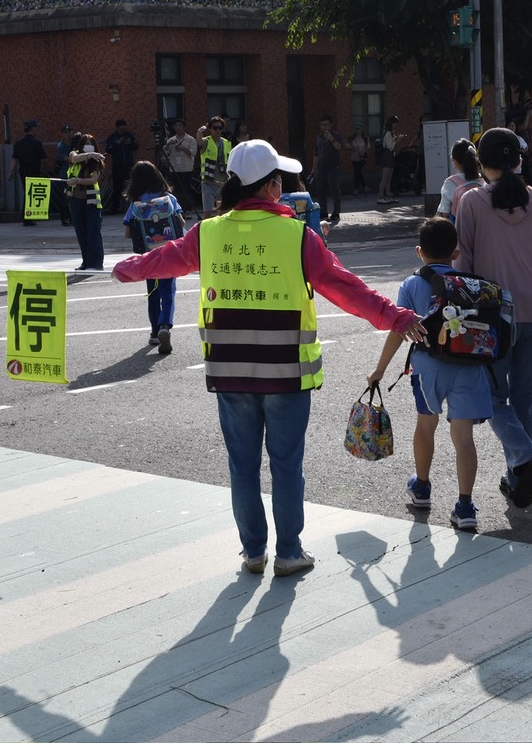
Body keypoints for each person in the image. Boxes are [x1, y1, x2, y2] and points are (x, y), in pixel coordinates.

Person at [113, 139, 426, 577]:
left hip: (230, 371)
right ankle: (289, 552)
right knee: (286, 466)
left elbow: (163, 260)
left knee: (242, 467)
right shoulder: (299, 237)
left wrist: (126, 268)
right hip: (287, 374)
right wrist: (395, 316)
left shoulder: (208, 233)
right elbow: (349, 290)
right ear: (274, 186)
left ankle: (254, 552)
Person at [455, 127, 532, 509]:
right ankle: (518, 478)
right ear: (518, 161)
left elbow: (463, 266)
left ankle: (525, 457)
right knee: (524, 400)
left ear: (483, 165)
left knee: (488, 396)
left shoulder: (471, 203)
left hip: (491, 319)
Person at [367, 218, 492, 533]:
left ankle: (422, 487)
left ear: (419, 252)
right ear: (456, 252)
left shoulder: (412, 284)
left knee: (426, 425)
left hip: (428, 368)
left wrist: (380, 369)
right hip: (468, 366)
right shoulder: (471, 283)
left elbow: (399, 331)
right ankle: (465, 506)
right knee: (464, 438)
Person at [121, 160, 185, 354]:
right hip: (168, 253)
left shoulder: (136, 203)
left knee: (152, 293)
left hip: (149, 256)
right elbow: (180, 223)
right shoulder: (169, 198)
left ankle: (155, 332)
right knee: (168, 292)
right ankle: (165, 324)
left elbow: (128, 233)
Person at [65, 132, 107, 270]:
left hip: (92, 201)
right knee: (81, 232)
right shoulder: (74, 154)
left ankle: (96, 263)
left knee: (93, 232)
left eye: (91, 145)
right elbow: (75, 158)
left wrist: (78, 181)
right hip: (76, 201)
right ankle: (86, 262)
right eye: (86, 144)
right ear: (81, 145)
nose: (88, 147)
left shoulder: (98, 161)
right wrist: (89, 155)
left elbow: (93, 179)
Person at [435, 137, 485, 224]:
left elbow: (444, 214)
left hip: (459, 231)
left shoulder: (450, 182)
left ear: (455, 161)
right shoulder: (483, 182)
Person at [8, 118, 47, 227]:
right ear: (32, 129)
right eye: (36, 128)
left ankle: (28, 217)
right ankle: (29, 218)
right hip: (35, 170)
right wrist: (44, 169)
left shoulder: (19, 143)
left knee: (27, 192)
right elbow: (44, 158)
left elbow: (14, 159)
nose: (37, 130)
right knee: (34, 194)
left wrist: (11, 172)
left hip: (23, 171)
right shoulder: (37, 143)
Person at [311, 114, 345, 226]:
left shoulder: (335, 135)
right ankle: (323, 212)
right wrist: (313, 168)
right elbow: (316, 153)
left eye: (326, 125)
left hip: (333, 166)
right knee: (321, 190)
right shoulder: (319, 136)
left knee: (334, 189)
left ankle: (336, 212)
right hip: (321, 166)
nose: (324, 127)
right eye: (322, 125)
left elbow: (339, 147)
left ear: (331, 125)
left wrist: (332, 139)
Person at [163, 118, 199, 218]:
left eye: (180, 125)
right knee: (176, 190)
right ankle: (178, 210)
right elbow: (164, 152)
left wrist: (182, 149)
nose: (178, 127)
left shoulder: (190, 139)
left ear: (184, 127)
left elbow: (193, 153)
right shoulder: (171, 140)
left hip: (186, 169)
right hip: (174, 169)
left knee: (186, 190)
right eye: (176, 126)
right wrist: (168, 144)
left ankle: (188, 210)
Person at [197, 117, 232, 215]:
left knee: (224, 212)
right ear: (210, 129)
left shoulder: (227, 143)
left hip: (223, 183)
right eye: (215, 128)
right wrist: (199, 132)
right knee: (208, 213)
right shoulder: (206, 141)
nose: (217, 130)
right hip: (208, 182)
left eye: (220, 128)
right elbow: (199, 141)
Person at [104, 119, 139, 215]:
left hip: (129, 164)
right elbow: (108, 149)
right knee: (117, 187)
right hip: (118, 165)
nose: (123, 131)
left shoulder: (129, 135)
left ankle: (134, 205)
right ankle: (115, 207)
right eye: (121, 129)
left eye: (124, 128)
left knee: (132, 185)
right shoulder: (112, 137)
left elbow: (136, 146)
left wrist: (129, 143)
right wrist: (117, 143)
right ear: (117, 128)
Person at [377, 115, 409, 205]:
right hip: (387, 155)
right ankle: (380, 196)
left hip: (390, 156)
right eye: (395, 123)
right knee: (385, 177)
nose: (396, 125)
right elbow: (390, 146)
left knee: (389, 177)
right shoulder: (387, 133)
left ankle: (388, 195)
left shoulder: (390, 132)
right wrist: (398, 140)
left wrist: (396, 138)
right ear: (392, 123)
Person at [348, 126, 371, 194]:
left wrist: (363, 152)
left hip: (362, 158)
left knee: (357, 171)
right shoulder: (352, 138)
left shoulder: (365, 138)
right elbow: (347, 145)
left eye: (359, 129)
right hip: (354, 158)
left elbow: (368, 147)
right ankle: (365, 187)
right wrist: (352, 148)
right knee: (358, 172)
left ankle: (357, 189)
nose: (358, 131)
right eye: (357, 129)